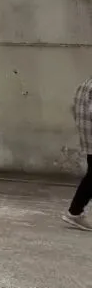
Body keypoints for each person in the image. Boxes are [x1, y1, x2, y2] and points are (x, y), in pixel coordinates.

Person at [64, 76, 92, 230]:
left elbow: (72, 108)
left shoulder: (84, 84)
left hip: (88, 138)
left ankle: (75, 212)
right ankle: (74, 212)